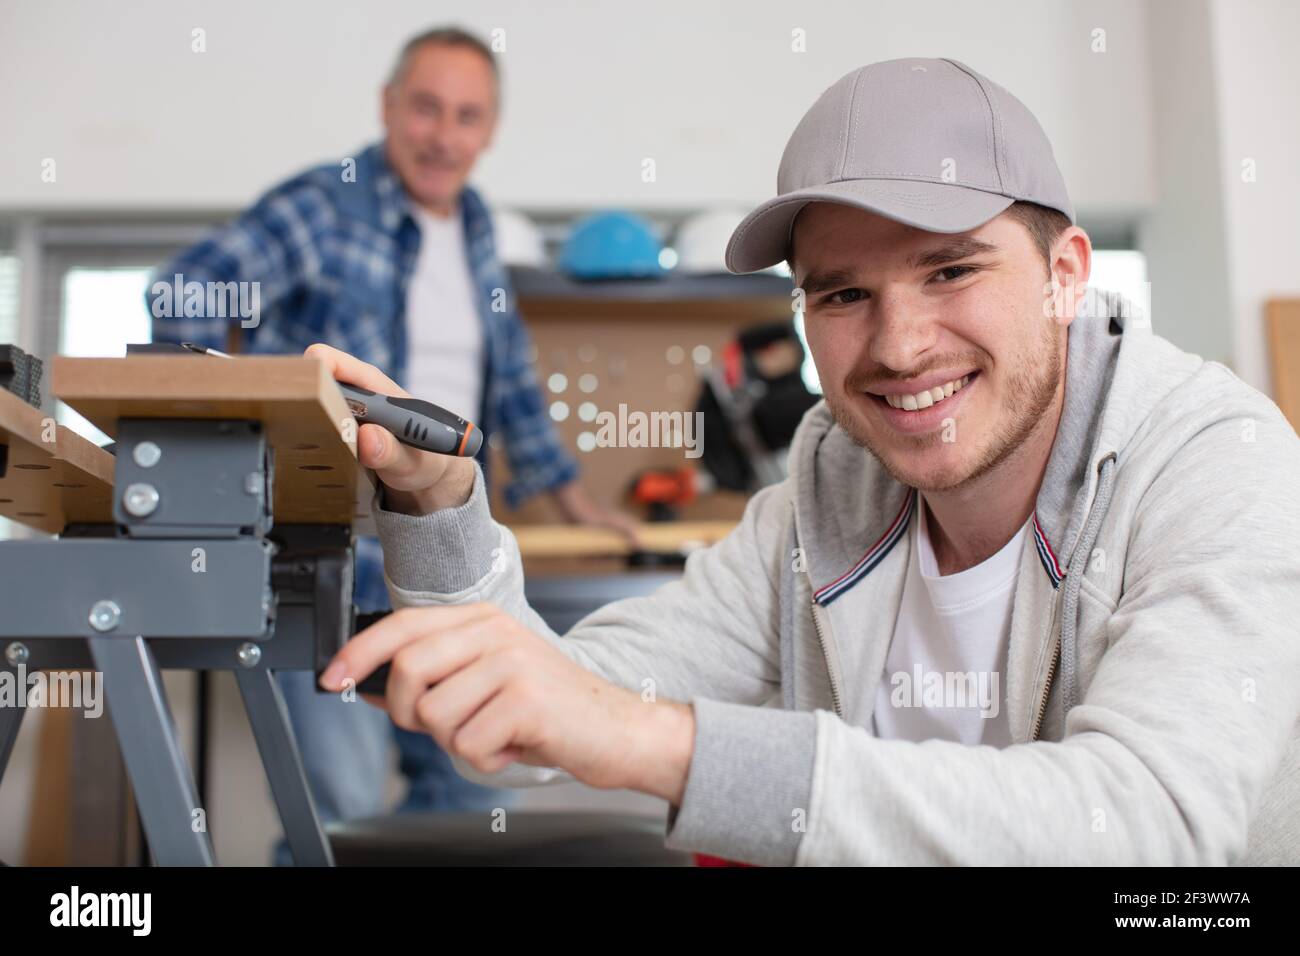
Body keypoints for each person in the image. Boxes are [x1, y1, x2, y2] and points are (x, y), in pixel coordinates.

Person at [314, 58, 1300, 865]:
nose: (901, 347)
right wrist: (440, 507)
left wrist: (664, 745)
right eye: (840, 294)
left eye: (950, 268)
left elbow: (1150, 827)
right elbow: (561, 701)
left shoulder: (1215, 465)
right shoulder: (830, 488)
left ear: (1065, 275)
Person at [147, 26, 635, 857]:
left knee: (464, 785)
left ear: (490, 131)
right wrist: (249, 430)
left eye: (467, 116)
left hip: (443, 565)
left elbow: (510, 385)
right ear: (387, 108)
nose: (444, 136)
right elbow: (182, 295)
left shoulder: (478, 228)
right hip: (332, 565)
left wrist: (582, 508)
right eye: (426, 109)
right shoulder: (324, 206)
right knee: (333, 818)